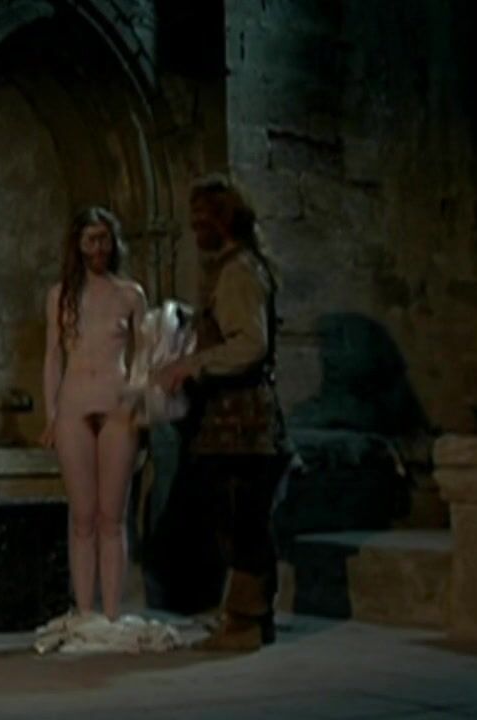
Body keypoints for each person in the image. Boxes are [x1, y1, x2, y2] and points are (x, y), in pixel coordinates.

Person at [155, 173, 295, 651]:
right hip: (231, 421)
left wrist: (191, 364)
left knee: (244, 522)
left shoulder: (239, 272)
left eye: (202, 220)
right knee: (238, 520)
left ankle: (247, 621)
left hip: (245, 422)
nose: (195, 229)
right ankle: (244, 617)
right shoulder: (233, 269)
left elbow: (250, 344)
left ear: (224, 219)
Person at [40, 206, 147, 623]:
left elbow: (143, 357)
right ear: (78, 244)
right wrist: (51, 414)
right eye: (91, 239)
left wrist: (137, 400)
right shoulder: (61, 295)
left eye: (104, 238)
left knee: (111, 517)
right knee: (82, 517)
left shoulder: (130, 294)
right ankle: (86, 613)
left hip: (117, 407)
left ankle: (112, 614)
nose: (98, 248)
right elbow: (53, 357)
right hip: (74, 406)